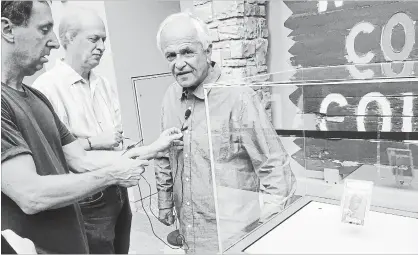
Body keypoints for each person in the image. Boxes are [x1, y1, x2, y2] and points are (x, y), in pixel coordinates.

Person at [1, 1, 183, 253]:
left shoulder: (36, 98)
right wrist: (112, 174)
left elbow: (80, 160)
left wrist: (150, 150)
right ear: (7, 29)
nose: (53, 42)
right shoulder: (17, 98)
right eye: (44, 30)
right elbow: (31, 195)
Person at [154, 12, 296, 253]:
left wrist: (269, 229)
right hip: (190, 232)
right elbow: (164, 155)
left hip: (234, 236)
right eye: (171, 55)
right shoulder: (170, 97)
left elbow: (274, 167)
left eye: (187, 52)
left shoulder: (238, 97)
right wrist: (165, 202)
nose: (179, 63)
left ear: (207, 51)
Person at [32, 7, 136, 253]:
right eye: (93, 39)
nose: (101, 46)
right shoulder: (46, 88)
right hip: (84, 198)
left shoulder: (103, 84)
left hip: (117, 188)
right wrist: (95, 141)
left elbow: (116, 136)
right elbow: (53, 154)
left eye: (104, 40)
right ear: (68, 39)